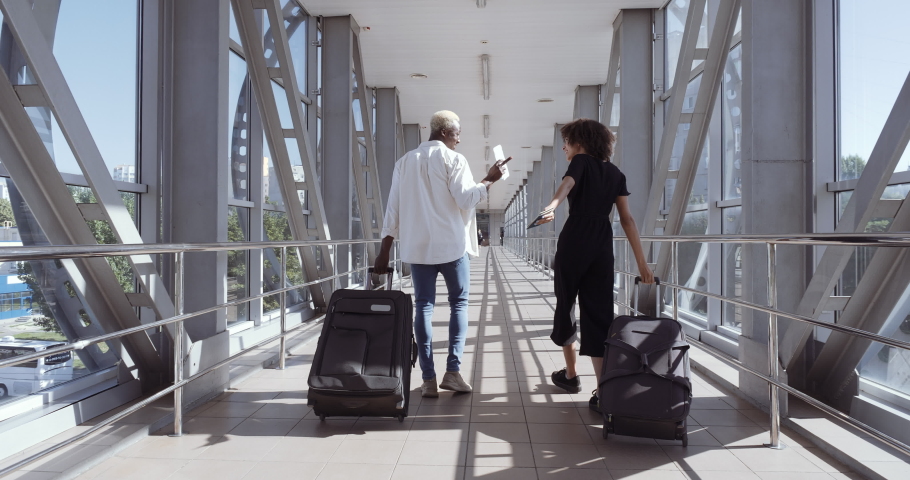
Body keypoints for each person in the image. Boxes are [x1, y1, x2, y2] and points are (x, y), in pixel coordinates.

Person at [374, 110, 510, 397]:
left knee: (423, 306)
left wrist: (384, 249)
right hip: (452, 247)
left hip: (418, 248)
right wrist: (489, 179)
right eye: (458, 134)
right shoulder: (454, 160)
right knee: (458, 304)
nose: (459, 140)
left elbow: (393, 208)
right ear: (446, 132)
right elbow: (466, 198)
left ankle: (427, 380)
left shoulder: (404, 162)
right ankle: (453, 372)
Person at [536, 118, 654, 413]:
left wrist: (552, 207)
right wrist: (642, 263)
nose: (564, 147)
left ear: (581, 142)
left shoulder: (580, 162)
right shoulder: (615, 173)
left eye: (567, 141)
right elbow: (627, 219)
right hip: (603, 245)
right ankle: (603, 393)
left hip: (575, 240)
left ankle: (572, 375)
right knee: (599, 315)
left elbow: (568, 184)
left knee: (566, 306)